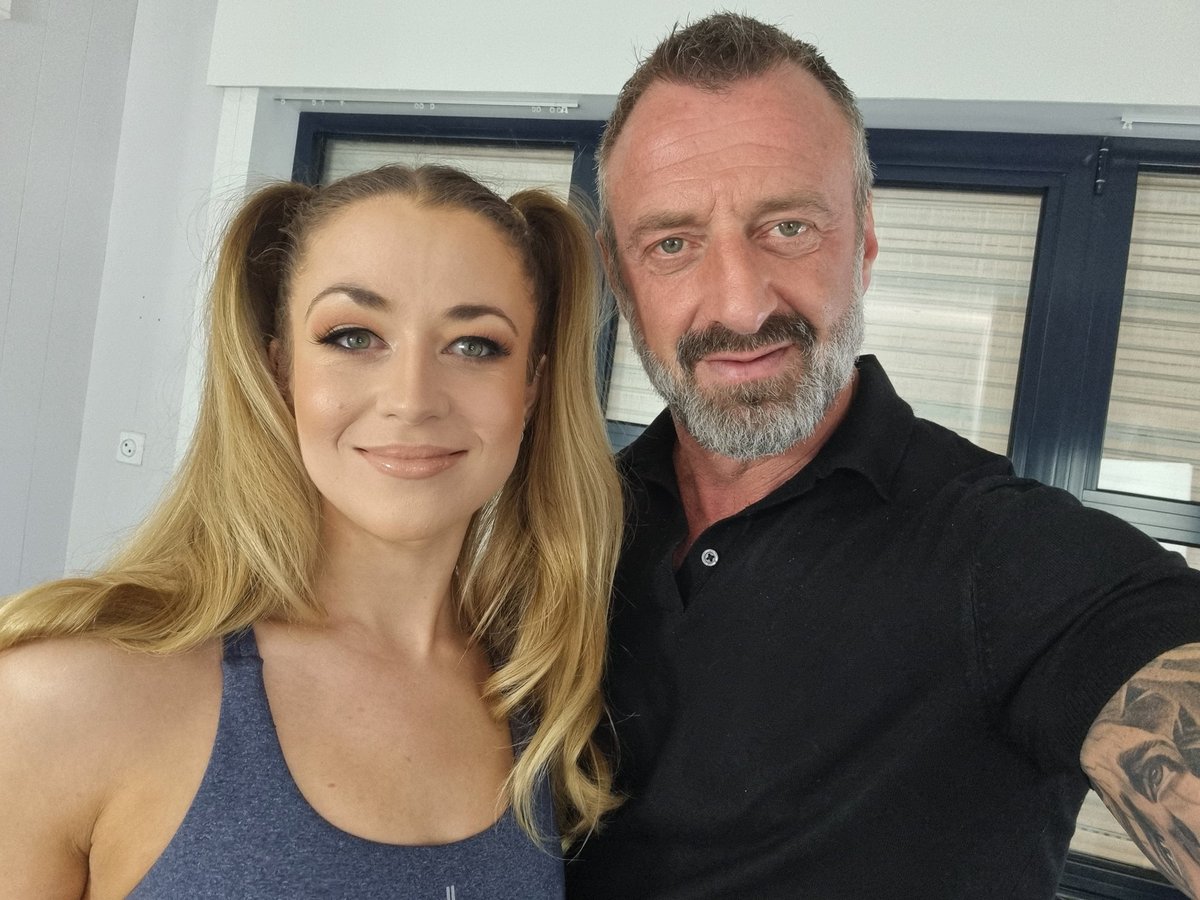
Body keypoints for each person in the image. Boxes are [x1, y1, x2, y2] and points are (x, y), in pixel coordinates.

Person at [564, 13, 1200, 900]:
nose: (741, 305)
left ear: (863, 239)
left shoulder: (1007, 556)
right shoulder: (568, 524)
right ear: (621, 277)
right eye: (672, 244)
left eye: (788, 227)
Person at [0, 164, 622, 898]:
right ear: (281, 370)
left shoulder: (549, 701)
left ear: (534, 388)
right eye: (354, 336)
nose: (412, 399)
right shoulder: (65, 698)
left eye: (475, 345)